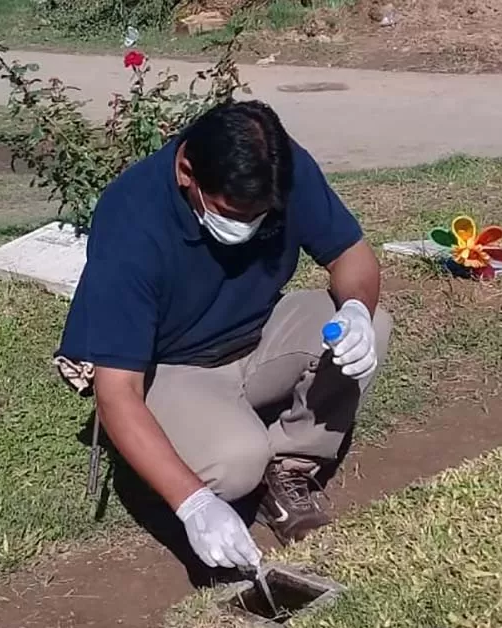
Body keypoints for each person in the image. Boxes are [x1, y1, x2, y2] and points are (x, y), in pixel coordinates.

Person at [55, 100, 391, 585]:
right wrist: (193, 504)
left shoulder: (276, 169)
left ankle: (291, 465)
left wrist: (357, 308)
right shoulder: (132, 221)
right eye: (234, 213)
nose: (251, 224)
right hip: (173, 367)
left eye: (263, 214)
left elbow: (351, 257)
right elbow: (116, 394)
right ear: (187, 171)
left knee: (372, 325)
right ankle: (164, 463)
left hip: (257, 335)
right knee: (237, 461)